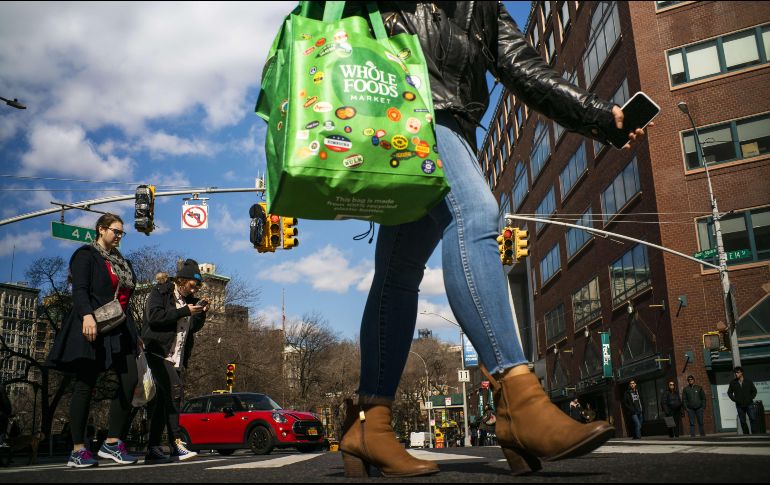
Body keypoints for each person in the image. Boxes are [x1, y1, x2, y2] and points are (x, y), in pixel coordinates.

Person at [334, 1, 650, 478]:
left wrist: (599, 116)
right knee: (478, 215)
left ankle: (368, 424)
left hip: (453, 131)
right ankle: (518, 399)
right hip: (405, 121)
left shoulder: (480, 7)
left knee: (397, 274)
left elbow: (526, 70)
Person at [45, 213, 139, 468]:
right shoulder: (86, 255)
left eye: (122, 233)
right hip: (93, 324)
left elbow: (126, 300)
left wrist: (136, 335)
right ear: (101, 229)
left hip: (120, 327)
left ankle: (112, 441)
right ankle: (78, 450)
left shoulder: (123, 262)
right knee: (85, 383)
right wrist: (87, 315)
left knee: (130, 380)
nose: (119, 236)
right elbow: (80, 289)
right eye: (115, 231)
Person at [141, 259, 208, 463]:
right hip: (157, 353)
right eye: (192, 284)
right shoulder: (161, 292)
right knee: (175, 392)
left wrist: (200, 314)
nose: (194, 288)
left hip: (177, 357)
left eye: (197, 286)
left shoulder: (190, 301)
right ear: (181, 280)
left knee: (163, 402)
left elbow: (191, 328)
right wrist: (185, 311)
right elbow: (154, 318)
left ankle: (153, 448)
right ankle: (175, 443)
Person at [727, 367, 758, 435]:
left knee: (752, 419)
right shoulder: (733, 383)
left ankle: (755, 434)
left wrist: (750, 398)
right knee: (742, 421)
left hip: (749, 403)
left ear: (741, 373)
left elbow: (754, 391)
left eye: (737, 372)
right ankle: (746, 434)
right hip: (739, 405)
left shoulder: (748, 381)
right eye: (735, 372)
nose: (736, 374)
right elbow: (729, 392)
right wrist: (735, 399)